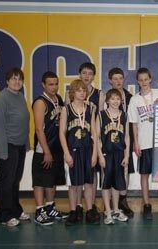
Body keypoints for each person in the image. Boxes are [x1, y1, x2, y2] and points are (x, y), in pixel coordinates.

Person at [127, 67, 158, 219]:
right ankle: (146, 204)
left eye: (146, 79)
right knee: (144, 174)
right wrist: (136, 143)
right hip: (144, 142)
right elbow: (134, 124)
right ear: (137, 81)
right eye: (141, 80)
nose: (144, 82)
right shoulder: (134, 99)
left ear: (150, 79)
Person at [0, 67, 30, 227]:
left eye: (19, 79)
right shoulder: (1, 99)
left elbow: (24, 121)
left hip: (18, 144)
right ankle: (4, 215)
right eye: (13, 78)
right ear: (7, 81)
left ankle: (15, 209)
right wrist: (2, 151)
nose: (17, 81)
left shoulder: (20, 96)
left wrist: (26, 142)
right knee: (6, 180)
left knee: (15, 180)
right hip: (5, 144)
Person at [65, 62, 105, 222]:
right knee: (74, 180)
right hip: (74, 142)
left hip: (91, 141)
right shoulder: (70, 95)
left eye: (90, 73)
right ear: (80, 74)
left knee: (91, 176)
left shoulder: (99, 95)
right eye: (84, 73)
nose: (87, 76)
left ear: (93, 76)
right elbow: (66, 124)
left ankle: (91, 206)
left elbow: (100, 120)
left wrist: (98, 144)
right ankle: (76, 207)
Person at [59, 79, 98, 225]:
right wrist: (66, 153)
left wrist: (94, 153)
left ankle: (89, 211)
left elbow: (94, 133)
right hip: (73, 150)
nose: (82, 93)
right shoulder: (66, 109)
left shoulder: (90, 109)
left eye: (83, 90)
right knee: (74, 184)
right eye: (79, 90)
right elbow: (62, 133)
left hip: (88, 149)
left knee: (88, 183)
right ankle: (74, 211)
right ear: (73, 92)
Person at [32, 71, 68, 225]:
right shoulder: (40, 102)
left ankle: (50, 207)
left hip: (57, 147)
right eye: (50, 84)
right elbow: (39, 129)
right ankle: (39, 210)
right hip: (44, 149)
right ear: (43, 85)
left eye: (56, 84)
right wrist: (46, 151)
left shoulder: (58, 99)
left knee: (51, 180)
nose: (54, 87)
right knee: (40, 180)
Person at [97, 89, 130, 224]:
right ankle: (108, 212)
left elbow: (127, 137)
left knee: (117, 183)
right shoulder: (101, 115)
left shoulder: (124, 115)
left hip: (120, 153)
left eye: (118, 99)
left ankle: (116, 209)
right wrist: (100, 155)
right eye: (112, 99)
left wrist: (127, 155)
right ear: (107, 100)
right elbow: (97, 137)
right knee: (106, 184)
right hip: (106, 153)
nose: (115, 101)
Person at [108, 67, 134, 217]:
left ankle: (123, 200)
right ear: (110, 81)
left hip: (125, 141)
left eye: (120, 78)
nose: (118, 81)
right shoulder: (106, 98)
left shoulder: (131, 97)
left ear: (124, 80)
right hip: (110, 143)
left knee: (125, 172)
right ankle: (111, 201)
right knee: (110, 172)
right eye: (115, 78)